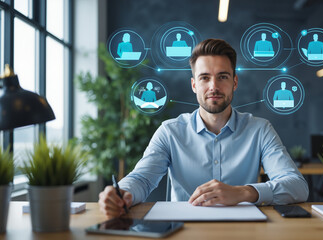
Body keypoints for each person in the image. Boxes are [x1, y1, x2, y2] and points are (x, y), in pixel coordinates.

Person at [98, 39, 309, 219]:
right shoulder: (170, 132)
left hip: (243, 232)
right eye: (205, 77)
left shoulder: (260, 129)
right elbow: (142, 179)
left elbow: (297, 187)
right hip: (181, 231)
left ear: (235, 82)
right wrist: (122, 193)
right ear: (193, 85)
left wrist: (244, 193)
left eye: (223, 77)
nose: (213, 87)